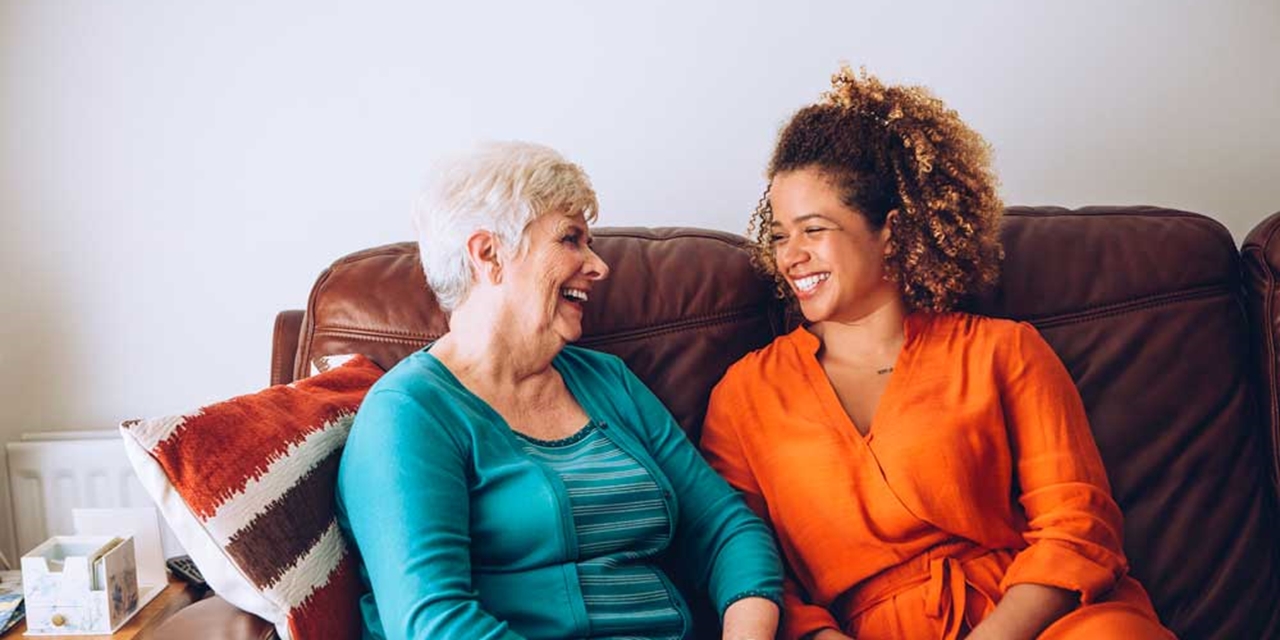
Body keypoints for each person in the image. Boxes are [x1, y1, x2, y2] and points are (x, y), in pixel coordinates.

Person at [700, 68, 1174, 640]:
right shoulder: (745, 395)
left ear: (891, 233)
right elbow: (749, 567)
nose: (790, 255)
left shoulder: (1002, 351)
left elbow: (1077, 525)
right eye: (779, 235)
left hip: (1029, 622)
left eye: (814, 230)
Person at [336, 141, 783, 640]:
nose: (599, 266)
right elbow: (433, 622)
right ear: (489, 254)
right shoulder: (409, 413)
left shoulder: (607, 380)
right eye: (570, 239)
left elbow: (726, 529)